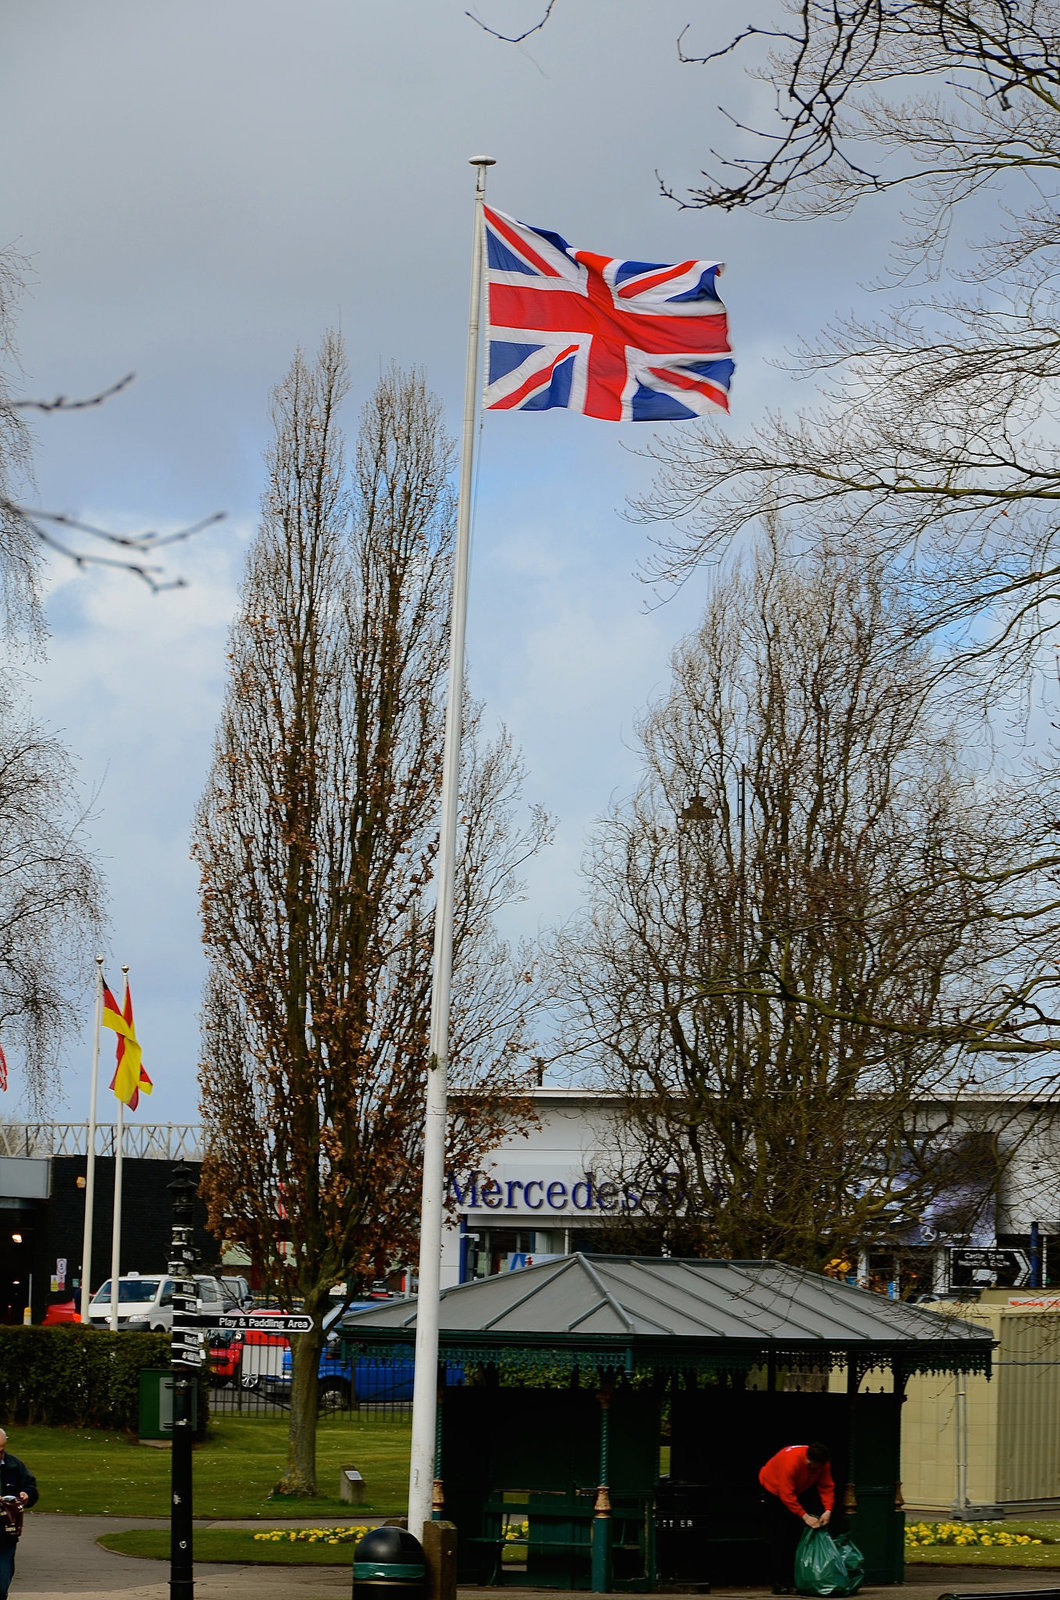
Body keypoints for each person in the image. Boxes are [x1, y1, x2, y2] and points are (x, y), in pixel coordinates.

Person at [759, 1441, 834, 1595]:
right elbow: (786, 1494)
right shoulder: (791, 1462)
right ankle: (779, 1581)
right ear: (809, 1460)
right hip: (773, 1490)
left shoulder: (822, 1464)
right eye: (815, 1467)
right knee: (780, 1536)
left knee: (794, 1536)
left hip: (799, 1489)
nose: (817, 1471)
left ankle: (792, 1580)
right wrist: (804, 1516)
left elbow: (826, 1486)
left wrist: (827, 1510)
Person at [0, 1429, 36, 1600]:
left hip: (6, 1533)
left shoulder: (15, 1465)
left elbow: (31, 1486)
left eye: (1, 1450)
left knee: (1, 1582)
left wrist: (26, 1495)